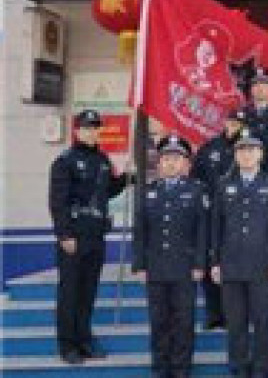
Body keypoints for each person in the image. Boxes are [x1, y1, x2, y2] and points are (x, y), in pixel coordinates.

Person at [48, 109, 132, 364]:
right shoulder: (65, 161)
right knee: (70, 293)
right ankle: (68, 346)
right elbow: (58, 202)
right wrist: (64, 234)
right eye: (86, 127)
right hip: (74, 236)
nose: (91, 132)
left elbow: (108, 190)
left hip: (96, 236)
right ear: (77, 130)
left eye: (95, 127)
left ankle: (84, 340)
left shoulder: (103, 160)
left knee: (88, 293)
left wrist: (127, 178)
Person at [209, 128, 268, 378]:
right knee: (236, 322)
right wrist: (215, 262)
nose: (246, 154)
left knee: (263, 321)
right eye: (242, 150)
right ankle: (239, 368)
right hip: (231, 264)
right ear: (236, 155)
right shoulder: (223, 185)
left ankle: (262, 368)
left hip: (262, 265)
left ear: (260, 154)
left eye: (251, 150)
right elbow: (216, 227)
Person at [132, 135, 206, 378]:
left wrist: (199, 264)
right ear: (159, 163)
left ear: (184, 163)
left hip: (185, 267)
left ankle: (181, 368)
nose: (171, 163)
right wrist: (140, 265)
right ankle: (160, 368)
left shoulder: (195, 191)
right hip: (156, 267)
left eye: (176, 158)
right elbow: (140, 232)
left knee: (184, 321)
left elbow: (202, 231)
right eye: (166, 158)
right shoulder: (148, 192)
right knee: (159, 321)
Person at [191, 108, 245, 329]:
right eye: (230, 121)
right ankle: (214, 314)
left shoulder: (250, 147)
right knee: (211, 261)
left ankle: (236, 314)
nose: (233, 126)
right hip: (212, 214)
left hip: (239, 216)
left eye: (237, 123)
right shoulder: (210, 147)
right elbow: (197, 177)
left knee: (236, 265)